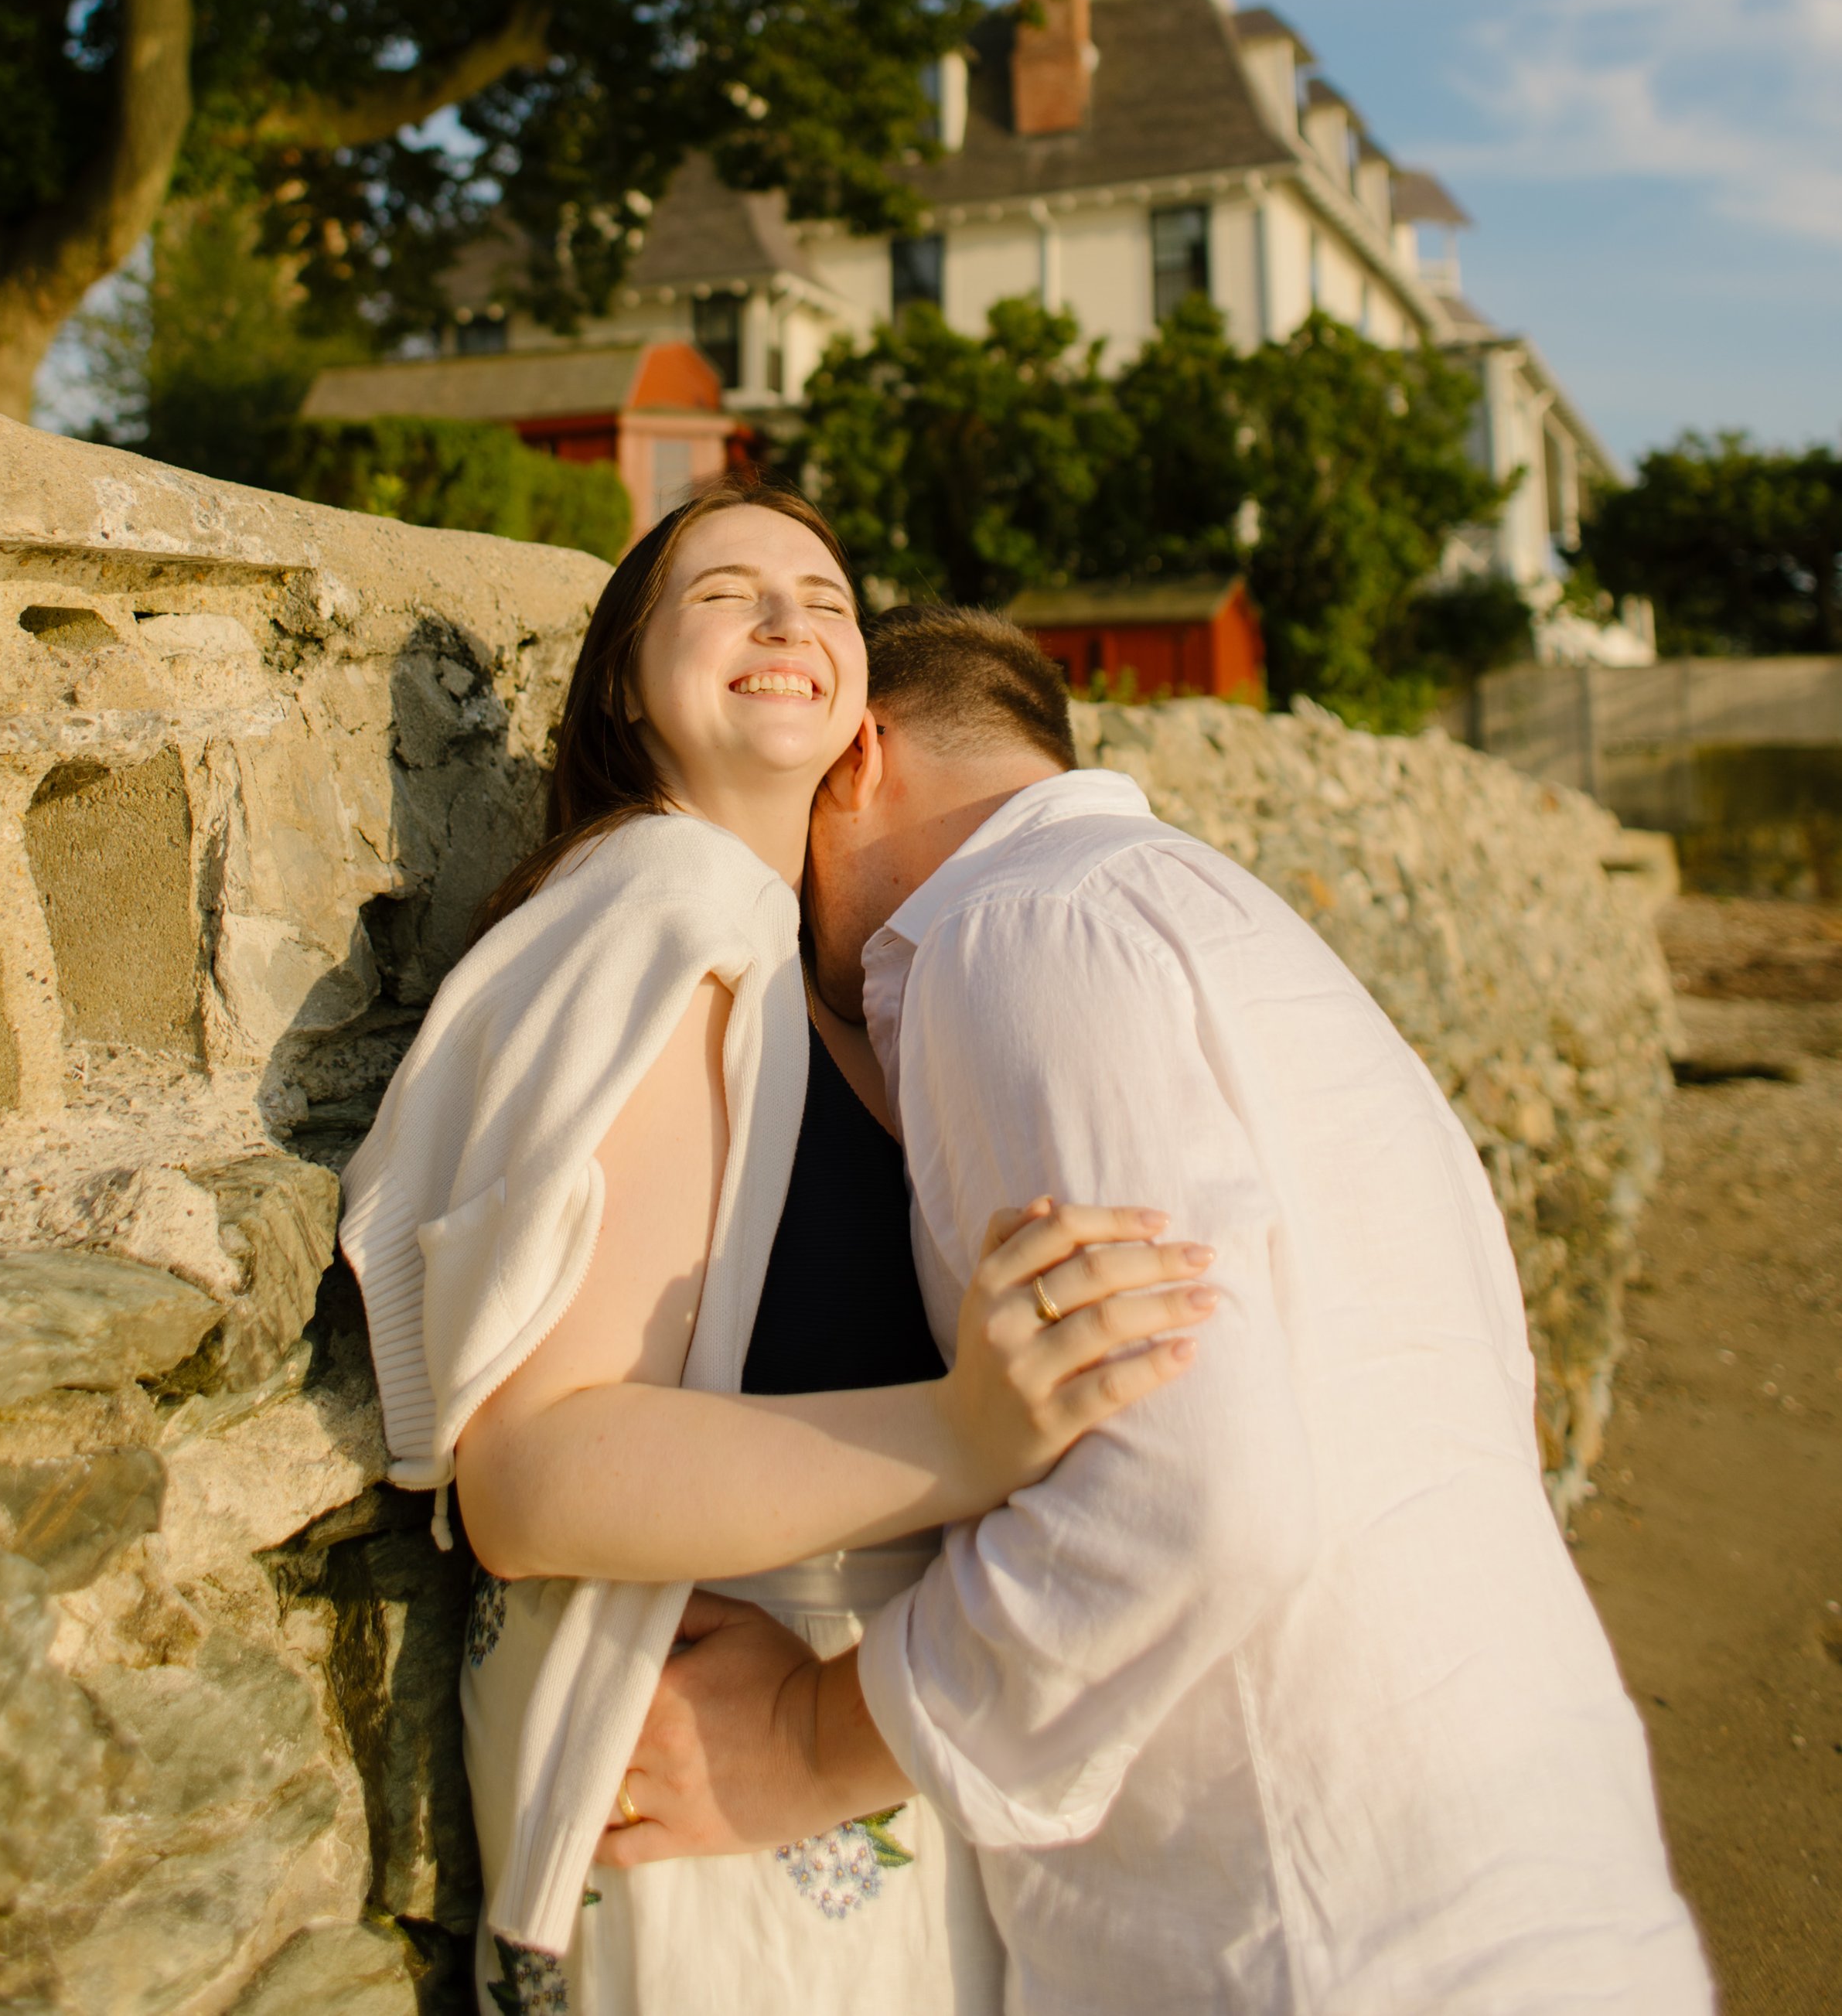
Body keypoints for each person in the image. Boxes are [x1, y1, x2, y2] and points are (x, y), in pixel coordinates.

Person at [596, 602, 1716, 2016]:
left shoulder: (1007, 934)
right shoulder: (1251, 941)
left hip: (1311, 1942)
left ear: (860, 752)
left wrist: (805, 1737)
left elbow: (1193, 1487)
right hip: (1554, 1892)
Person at [339, 485, 1214, 2016]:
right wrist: (969, 1435)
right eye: (723, 593)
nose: (785, 620)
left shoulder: (812, 984)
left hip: (869, 1757)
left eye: (821, 600)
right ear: (623, 682)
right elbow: (531, 1480)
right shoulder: (660, 907)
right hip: (707, 1781)